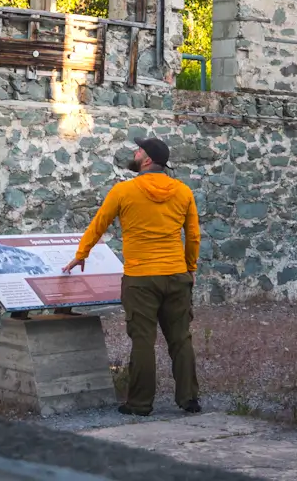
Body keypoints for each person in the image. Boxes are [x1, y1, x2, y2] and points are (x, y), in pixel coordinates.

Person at [63, 136, 201, 416]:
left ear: (147, 160)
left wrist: (82, 253)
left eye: (138, 150)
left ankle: (139, 404)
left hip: (140, 277)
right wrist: (190, 268)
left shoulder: (123, 191)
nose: (134, 153)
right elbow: (194, 236)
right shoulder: (184, 192)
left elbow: (99, 223)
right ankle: (189, 399)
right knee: (181, 339)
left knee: (142, 341)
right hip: (176, 275)